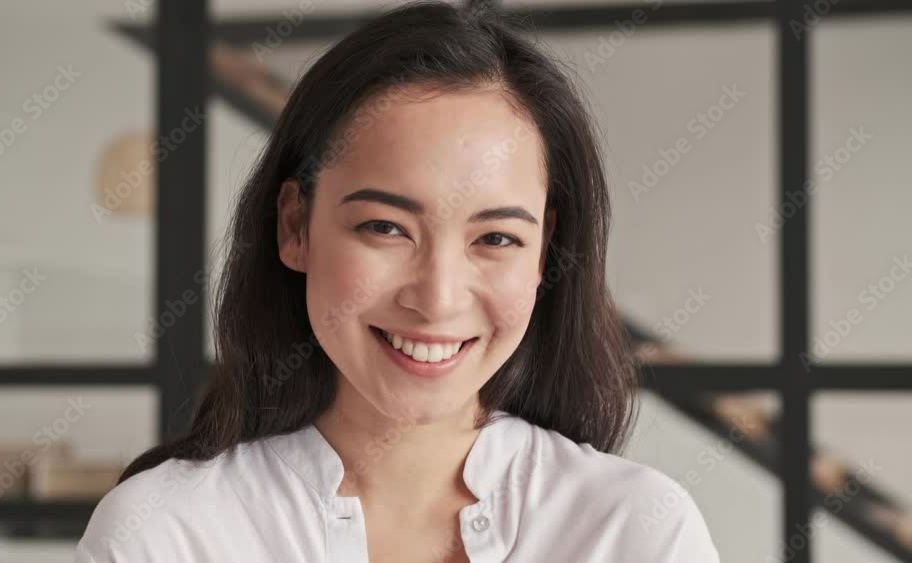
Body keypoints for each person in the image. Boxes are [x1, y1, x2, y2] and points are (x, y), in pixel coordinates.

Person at [74, 1, 721, 561]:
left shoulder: (635, 532)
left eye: (495, 238)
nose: (437, 296)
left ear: (545, 252)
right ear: (295, 226)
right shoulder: (162, 536)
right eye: (386, 228)